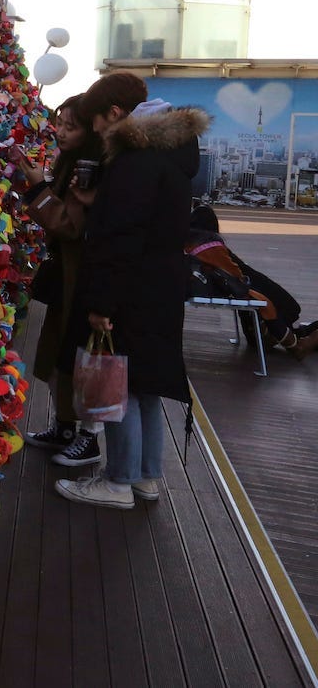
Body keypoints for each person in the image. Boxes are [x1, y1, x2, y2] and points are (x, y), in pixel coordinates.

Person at [55, 72, 210, 509]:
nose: (98, 133)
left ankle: (118, 480)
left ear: (116, 115)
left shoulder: (133, 158)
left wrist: (102, 302)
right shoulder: (171, 153)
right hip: (160, 287)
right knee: (145, 384)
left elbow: (120, 235)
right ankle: (146, 477)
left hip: (129, 290)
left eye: (99, 123)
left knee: (116, 384)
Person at [14, 96, 105, 468]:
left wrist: (38, 190)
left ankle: (89, 436)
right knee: (58, 353)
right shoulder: (69, 162)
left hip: (82, 278)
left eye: (72, 126)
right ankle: (65, 426)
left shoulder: (92, 169)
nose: (61, 132)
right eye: (60, 123)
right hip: (65, 276)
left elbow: (70, 226)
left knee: (82, 356)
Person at [185, 204, 315, 355]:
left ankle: (298, 338)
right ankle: (297, 343)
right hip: (242, 291)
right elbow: (236, 273)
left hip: (225, 289)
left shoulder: (189, 244)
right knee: (278, 304)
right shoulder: (209, 244)